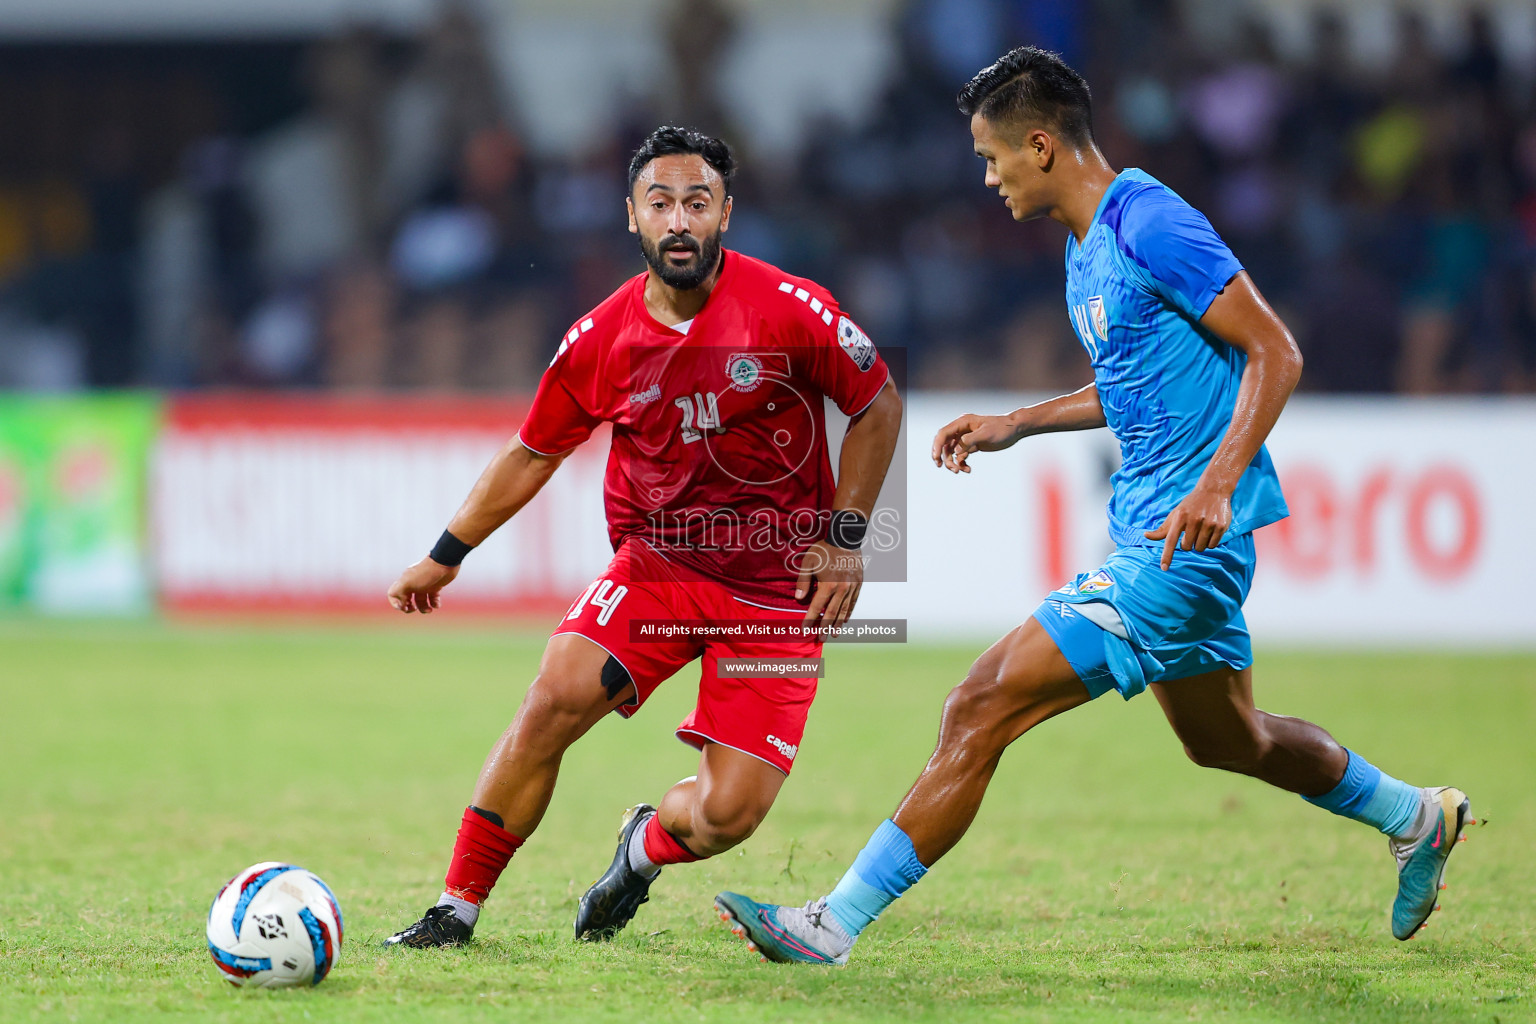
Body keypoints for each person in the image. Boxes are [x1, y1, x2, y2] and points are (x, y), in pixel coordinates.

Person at [713, 48, 1472, 966]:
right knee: (1233, 742)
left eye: (993, 158)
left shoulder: (1151, 221)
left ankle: (831, 926)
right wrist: (1021, 423)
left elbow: (1276, 350)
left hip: (1177, 547)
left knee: (979, 705)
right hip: (1159, 534)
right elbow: (1136, 383)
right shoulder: (1088, 248)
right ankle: (1415, 815)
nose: (988, 178)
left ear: (1041, 146)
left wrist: (1218, 482)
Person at [382, 126, 902, 947]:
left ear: (726, 213)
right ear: (632, 217)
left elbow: (878, 404)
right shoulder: (601, 341)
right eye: (660, 203)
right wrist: (442, 558)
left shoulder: (789, 309)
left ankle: (644, 845)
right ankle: (457, 908)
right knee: (553, 695)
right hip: (660, 566)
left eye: (698, 202)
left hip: (775, 591)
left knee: (727, 815)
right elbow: (531, 453)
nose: (680, 221)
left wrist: (846, 537)